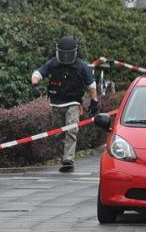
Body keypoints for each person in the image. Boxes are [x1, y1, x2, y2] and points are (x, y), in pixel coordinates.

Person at [31, 35, 99, 173]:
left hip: (73, 103)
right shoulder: (53, 64)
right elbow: (37, 73)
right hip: (56, 104)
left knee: (71, 130)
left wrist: (94, 102)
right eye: (64, 55)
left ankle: (68, 159)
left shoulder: (82, 66)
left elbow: (92, 85)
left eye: (69, 55)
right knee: (58, 133)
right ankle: (64, 156)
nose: (66, 58)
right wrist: (35, 85)